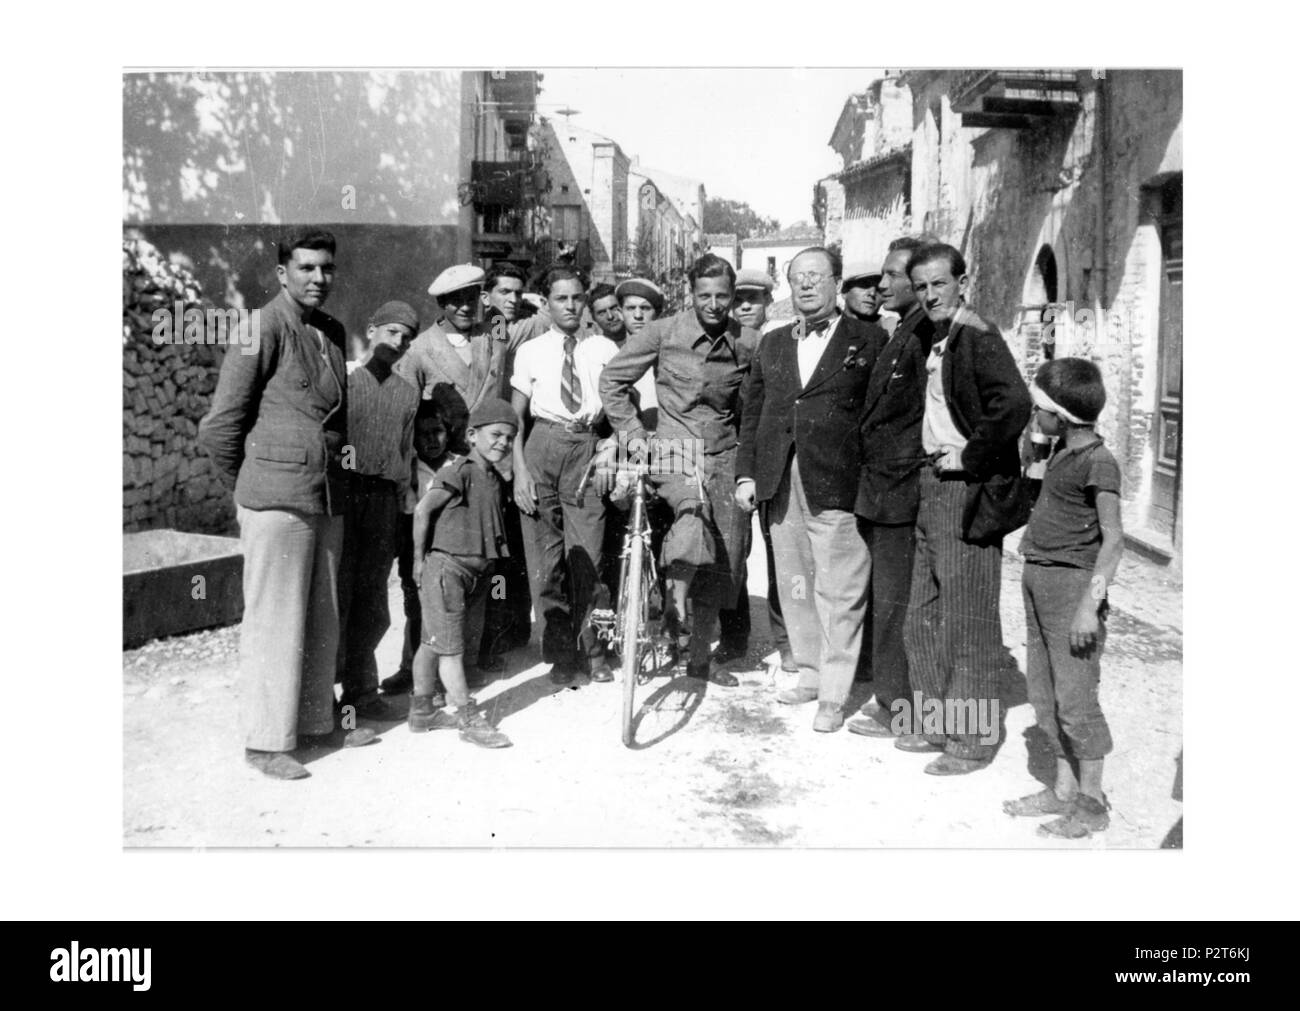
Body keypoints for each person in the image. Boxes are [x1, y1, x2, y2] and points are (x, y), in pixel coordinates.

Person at [199, 228, 375, 781]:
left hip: (324, 495)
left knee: (323, 616)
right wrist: (252, 489)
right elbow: (220, 427)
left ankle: (316, 723)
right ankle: (266, 742)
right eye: (306, 268)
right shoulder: (261, 328)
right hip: (276, 499)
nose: (319, 278)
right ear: (282, 274)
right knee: (276, 621)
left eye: (327, 268)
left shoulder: (331, 331)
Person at [735, 247, 887, 732]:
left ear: (836, 283)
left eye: (816, 277)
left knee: (840, 588)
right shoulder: (772, 343)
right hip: (781, 480)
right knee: (795, 582)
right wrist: (746, 474)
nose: (805, 285)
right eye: (798, 277)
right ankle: (809, 673)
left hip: (839, 480)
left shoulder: (869, 340)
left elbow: (880, 415)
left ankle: (834, 694)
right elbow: (753, 414)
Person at [900, 242, 1032, 775]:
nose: (930, 295)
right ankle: (934, 722)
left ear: (962, 282)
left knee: (968, 620)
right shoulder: (935, 337)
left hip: (965, 490)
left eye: (939, 284)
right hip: (931, 486)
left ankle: (972, 740)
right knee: (923, 614)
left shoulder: (977, 334)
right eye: (921, 287)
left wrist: (971, 454)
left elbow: (1015, 403)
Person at [599, 254, 759, 687]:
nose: (713, 304)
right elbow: (612, 381)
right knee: (691, 517)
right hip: (673, 450)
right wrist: (635, 438)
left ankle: (700, 660)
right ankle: (673, 607)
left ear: (732, 295)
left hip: (723, 454)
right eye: (704, 295)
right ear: (691, 294)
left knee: (726, 556)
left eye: (722, 296)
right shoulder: (662, 332)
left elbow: (755, 404)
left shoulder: (748, 341)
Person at [384, 264, 534, 695]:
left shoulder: (494, 335)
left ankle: (478, 651)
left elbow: (534, 324)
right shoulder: (420, 351)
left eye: (472, 298)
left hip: (489, 472)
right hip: (442, 474)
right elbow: (403, 418)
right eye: (455, 302)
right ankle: (415, 664)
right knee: (429, 573)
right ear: (441, 305)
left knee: (486, 566)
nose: (465, 308)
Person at [1004, 358, 1123, 838]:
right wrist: (1037, 442)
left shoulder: (1099, 461)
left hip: (1072, 589)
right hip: (1040, 578)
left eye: (1040, 410)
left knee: (1075, 700)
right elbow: (1030, 479)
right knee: (1044, 693)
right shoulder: (1058, 453)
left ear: (1062, 416)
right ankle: (1063, 789)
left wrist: (1089, 607)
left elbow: (1113, 541)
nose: (1035, 417)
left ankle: (1091, 804)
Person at [846, 236, 936, 740]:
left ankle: (899, 707)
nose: (881, 284)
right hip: (883, 487)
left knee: (896, 602)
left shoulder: (924, 334)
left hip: (902, 487)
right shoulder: (903, 330)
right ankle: (892, 697)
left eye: (892, 276)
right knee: (886, 598)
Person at [511, 267, 618, 684]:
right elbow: (516, 418)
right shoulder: (530, 351)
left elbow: (620, 408)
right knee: (545, 561)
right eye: (561, 299)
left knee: (589, 557)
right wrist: (520, 472)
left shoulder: (604, 348)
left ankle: (594, 652)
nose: (571, 306)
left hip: (587, 447)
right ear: (546, 302)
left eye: (577, 297)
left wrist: (610, 447)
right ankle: (560, 654)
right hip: (542, 446)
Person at [408, 398, 520, 748]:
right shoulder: (460, 471)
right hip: (448, 571)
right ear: (472, 435)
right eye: (496, 434)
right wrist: (418, 561)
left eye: (510, 437)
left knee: (433, 642)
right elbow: (422, 510)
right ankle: (469, 717)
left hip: (473, 575)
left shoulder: (493, 477)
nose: (503, 442)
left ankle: (422, 711)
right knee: (450, 650)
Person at [335, 301, 420, 722]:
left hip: (384, 499)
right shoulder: (345, 380)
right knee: (337, 593)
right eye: (392, 332)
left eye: (406, 337)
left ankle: (361, 693)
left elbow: (404, 452)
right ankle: (320, 698)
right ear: (371, 330)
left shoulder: (407, 392)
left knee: (372, 599)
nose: (398, 342)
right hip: (345, 494)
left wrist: (402, 501)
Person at [717, 267, 793, 671]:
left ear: (768, 302)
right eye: (739, 299)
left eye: (755, 299)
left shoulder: (783, 342)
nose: (745, 306)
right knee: (733, 550)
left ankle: (788, 639)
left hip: (774, 458)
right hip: (733, 454)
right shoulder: (725, 341)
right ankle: (734, 637)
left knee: (783, 553)